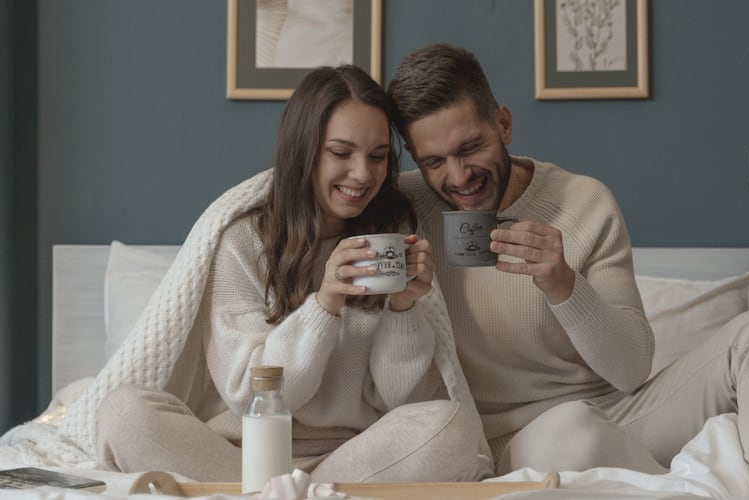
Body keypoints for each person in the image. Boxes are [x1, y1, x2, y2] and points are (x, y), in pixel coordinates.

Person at [387, 43, 749, 496]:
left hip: (622, 414)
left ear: (503, 124)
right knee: (570, 430)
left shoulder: (585, 202)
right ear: (413, 155)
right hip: (520, 442)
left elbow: (630, 370)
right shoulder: (401, 211)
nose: (459, 175)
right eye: (433, 162)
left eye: (470, 148)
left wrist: (564, 284)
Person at [88, 64, 492, 483]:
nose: (362, 174)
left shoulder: (390, 233)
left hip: (350, 459)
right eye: (341, 153)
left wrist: (405, 309)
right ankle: (300, 496)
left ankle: (290, 495)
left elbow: (399, 401)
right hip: (237, 456)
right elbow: (251, 395)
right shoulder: (243, 241)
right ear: (304, 150)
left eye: (377, 157)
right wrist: (325, 304)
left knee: (452, 426)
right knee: (124, 412)